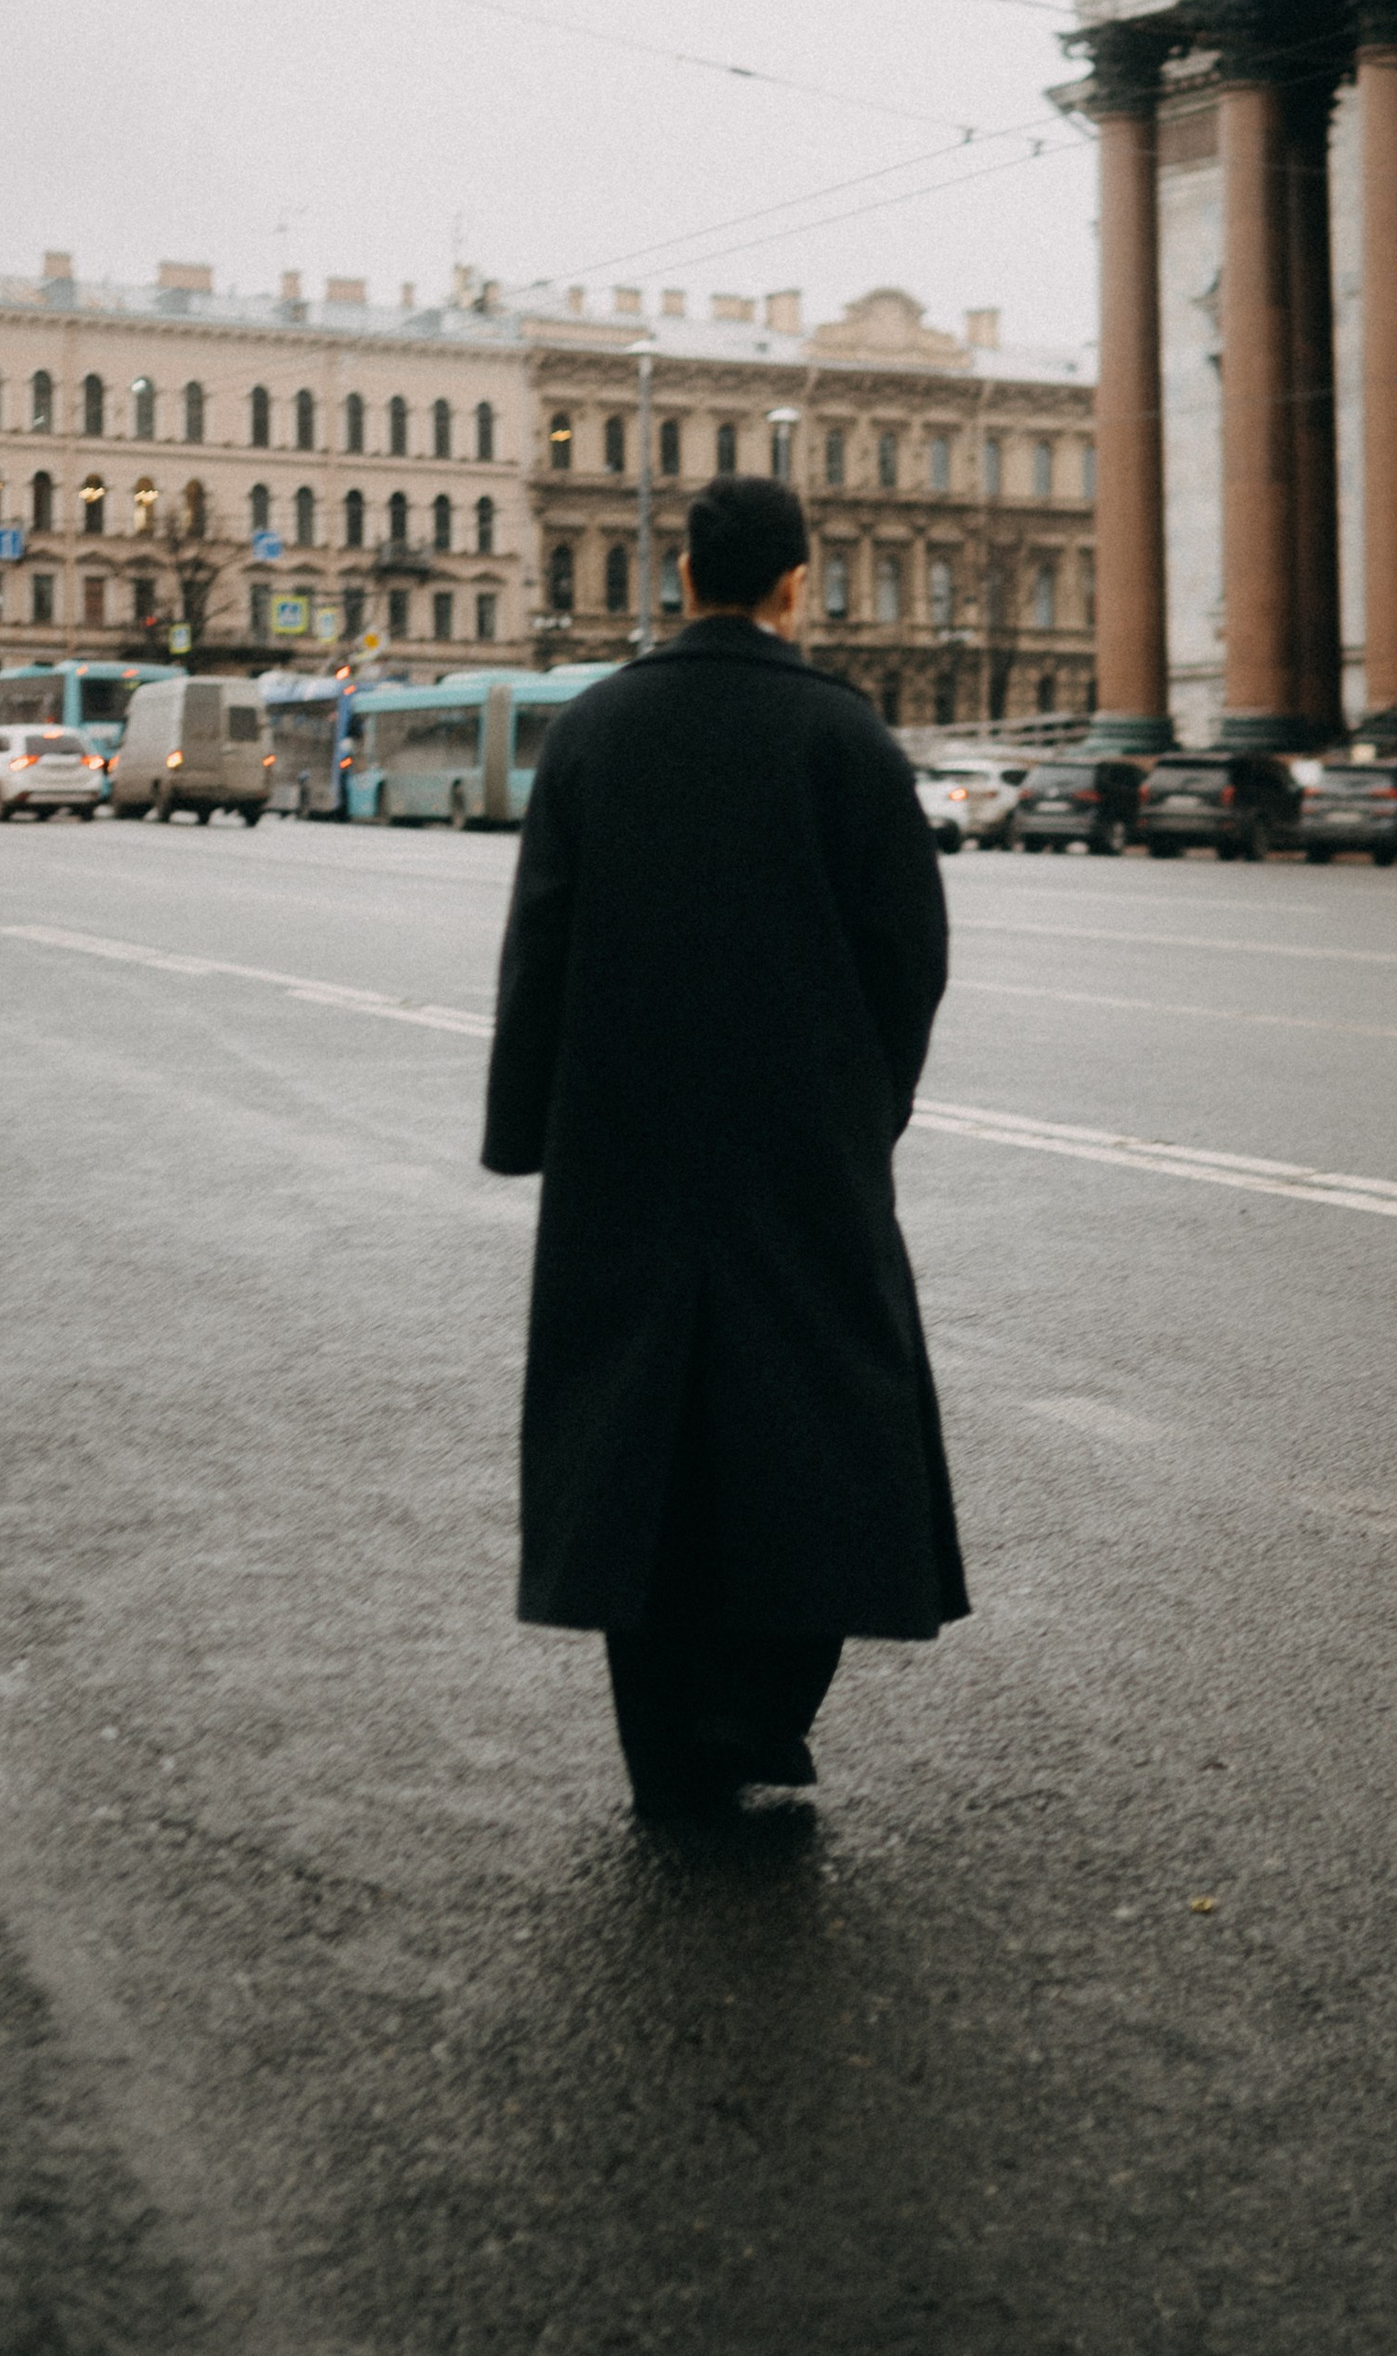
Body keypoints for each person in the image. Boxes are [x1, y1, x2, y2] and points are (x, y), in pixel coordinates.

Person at [482, 469, 965, 1823]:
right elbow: (907, 959)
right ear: (795, 584)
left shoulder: (594, 729)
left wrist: (530, 1131)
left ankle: (662, 1750)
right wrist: (868, 1114)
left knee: (637, 1436)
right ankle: (759, 1711)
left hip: (623, 1147)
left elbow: (544, 948)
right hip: (800, 1148)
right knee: (811, 1425)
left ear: (682, 577)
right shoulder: (847, 740)